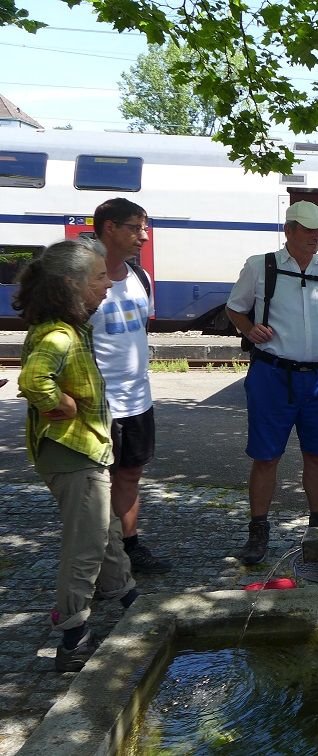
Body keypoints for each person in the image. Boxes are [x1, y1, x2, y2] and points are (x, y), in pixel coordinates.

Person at [15, 238, 138, 672]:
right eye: (100, 277)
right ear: (72, 284)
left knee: (105, 530)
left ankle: (125, 596)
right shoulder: (59, 333)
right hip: (72, 454)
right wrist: (60, 404)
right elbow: (33, 380)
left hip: (84, 450)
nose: (108, 285)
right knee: (85, 544)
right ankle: (73, 632)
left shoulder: (71, 327)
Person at [225, 201, 318, 565]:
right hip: (272, 374)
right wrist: (249, 328)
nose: (316, 236)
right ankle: (258, 531)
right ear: (289, 230)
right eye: (309, 230)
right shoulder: (260, 266)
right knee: (266, 457)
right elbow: (234, 307)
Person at [90, 198, 170, 574]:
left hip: (138, 399)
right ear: (109, 227)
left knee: (131, 473)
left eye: (145, 227)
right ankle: (98, 555)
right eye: (136, 228)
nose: (144, 236)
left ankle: (129, 546)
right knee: (96, 483)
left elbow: (140, 333)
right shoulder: (80, 279)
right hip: (94, 402)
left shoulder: (141, 278)